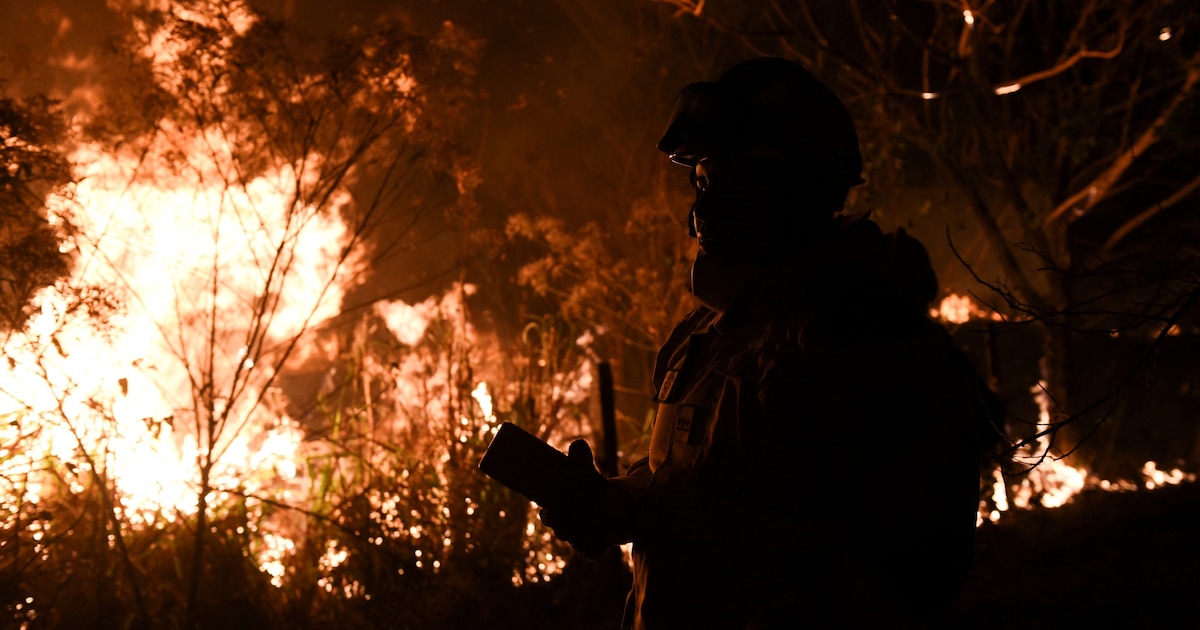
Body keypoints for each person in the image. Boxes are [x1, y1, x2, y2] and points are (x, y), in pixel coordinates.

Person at [540, 56, 1004, 629]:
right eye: (702, 182)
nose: (699, 213)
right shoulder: (707, 334)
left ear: (797, 193)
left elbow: (916, 571)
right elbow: (700, 491)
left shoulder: (871, 342)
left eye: (727, 184)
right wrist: (619, 505)